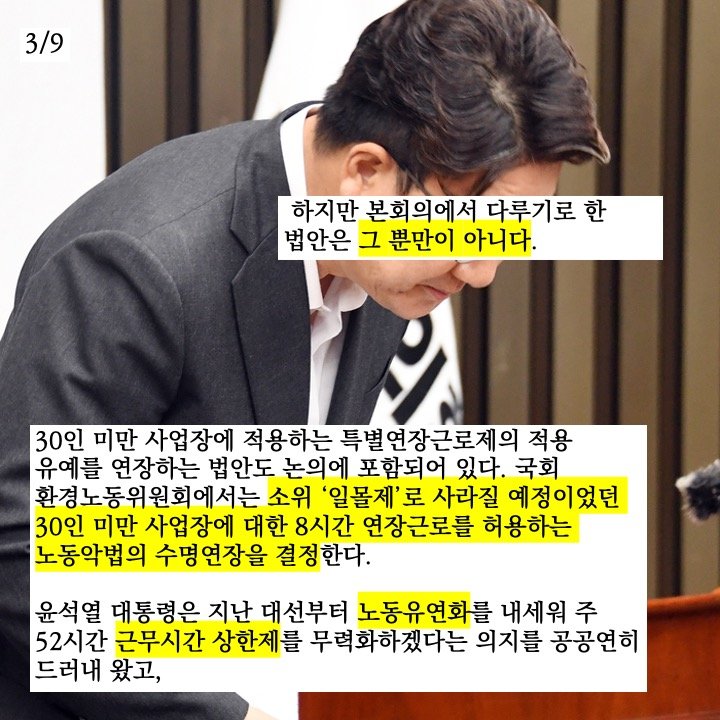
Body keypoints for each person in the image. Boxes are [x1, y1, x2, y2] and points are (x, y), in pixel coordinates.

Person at [0, 0, 608, 717]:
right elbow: (26, 557)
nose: (482, 271)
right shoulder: (137, 260)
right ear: (366, 172)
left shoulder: (381, 258)